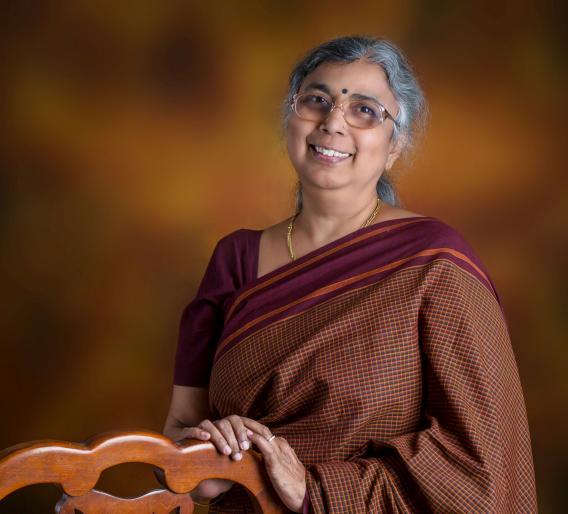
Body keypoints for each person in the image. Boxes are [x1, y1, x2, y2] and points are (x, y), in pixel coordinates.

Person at [162, 35, 537, 513]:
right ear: (291, 117)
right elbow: (177, 444)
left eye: (364, 110)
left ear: (395, 144)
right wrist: (208, 456)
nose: (333, 122)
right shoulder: (235, 258)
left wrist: (313, 489)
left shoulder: (435, 263)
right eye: (316, 101)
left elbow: (482, 467)